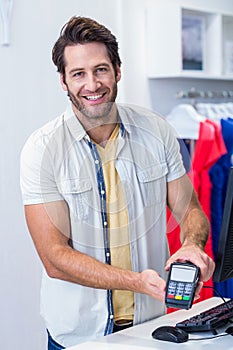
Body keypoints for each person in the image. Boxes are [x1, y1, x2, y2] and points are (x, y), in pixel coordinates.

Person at [20, 16, 215, 349]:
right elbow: (54, 257)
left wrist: (192, 244)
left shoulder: (158, 131)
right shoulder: (42, 150)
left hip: (151, 328)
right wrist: (137, 282)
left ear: (118, 70)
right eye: (78, 74)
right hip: (78, 337)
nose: (92, 85)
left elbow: (190, 209)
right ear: (63, 81)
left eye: (101, 69)